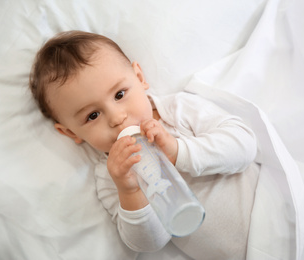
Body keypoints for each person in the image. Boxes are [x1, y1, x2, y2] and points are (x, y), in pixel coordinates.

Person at [29, 30, 260, 260]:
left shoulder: (177, 111)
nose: (117, 118)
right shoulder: (111, 177)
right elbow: (151, 244)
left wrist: (179, 152)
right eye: (92, 115)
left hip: (275, 211)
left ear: (139, 78)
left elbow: (246, 145)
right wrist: (130, 191)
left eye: (119, 94)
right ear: (70, 132)